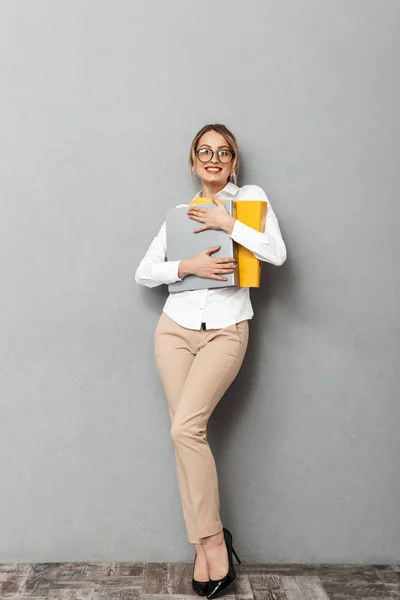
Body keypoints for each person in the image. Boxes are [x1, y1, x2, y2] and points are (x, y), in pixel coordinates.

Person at [135, 123, 287, 598]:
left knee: (185, 430)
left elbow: (277, 254)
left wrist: (229, 224)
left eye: (223, 152)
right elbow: (144, 273)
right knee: (184, 437)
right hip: (173, 331)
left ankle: (215, 543)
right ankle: (205, 548)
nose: (214, 158)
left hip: (225, 330)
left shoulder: (251, 200)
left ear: (234, 161)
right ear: (193, 161)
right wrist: (189, 266)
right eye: (205, 151)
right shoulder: (180, 213)